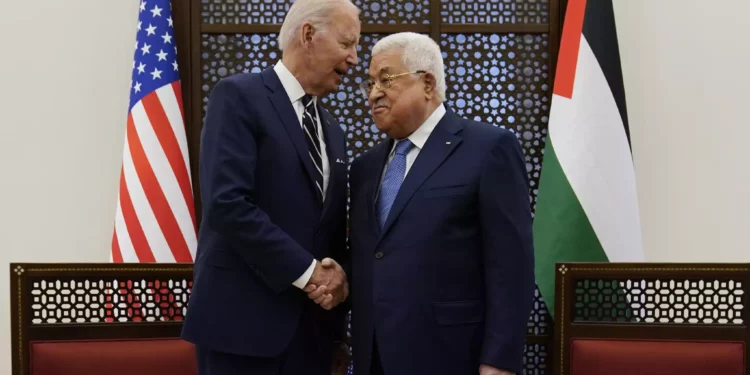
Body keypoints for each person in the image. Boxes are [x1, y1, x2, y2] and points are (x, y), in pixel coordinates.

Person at [313, 32, 535, 375]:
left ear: (428, 83)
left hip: (452, 356)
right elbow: (373, 256)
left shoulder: (489, 149)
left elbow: (511, 266)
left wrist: (499, 360)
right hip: (374, 358)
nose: (373, 94)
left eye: (385, 79)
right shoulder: (364, 168)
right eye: (369, 83)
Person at [180, 1, 360, 374]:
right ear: (308, 34)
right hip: (242, 330)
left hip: (312, 337)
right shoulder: (239, 97)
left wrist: (338, 288)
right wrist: (309, 273)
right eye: (347, 44)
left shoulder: (334, 132)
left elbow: (327, 229)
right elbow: (227, 204)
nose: (354, 59)